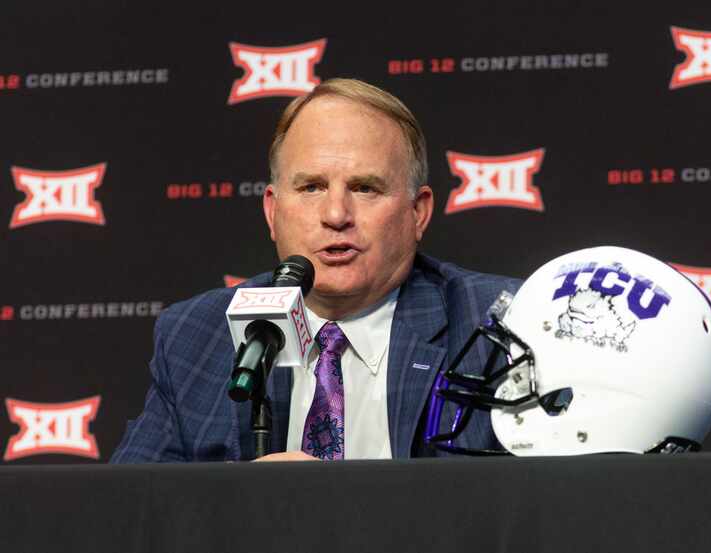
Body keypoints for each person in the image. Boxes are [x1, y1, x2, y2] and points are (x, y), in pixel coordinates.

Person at [111, 78, 521, 462]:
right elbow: (132, 513)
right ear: (272, 211)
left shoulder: (499, 328)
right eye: (311, 187)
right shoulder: (197, 337)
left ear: (418, 213)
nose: (336, 214)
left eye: (365, 187)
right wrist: (239, 509)